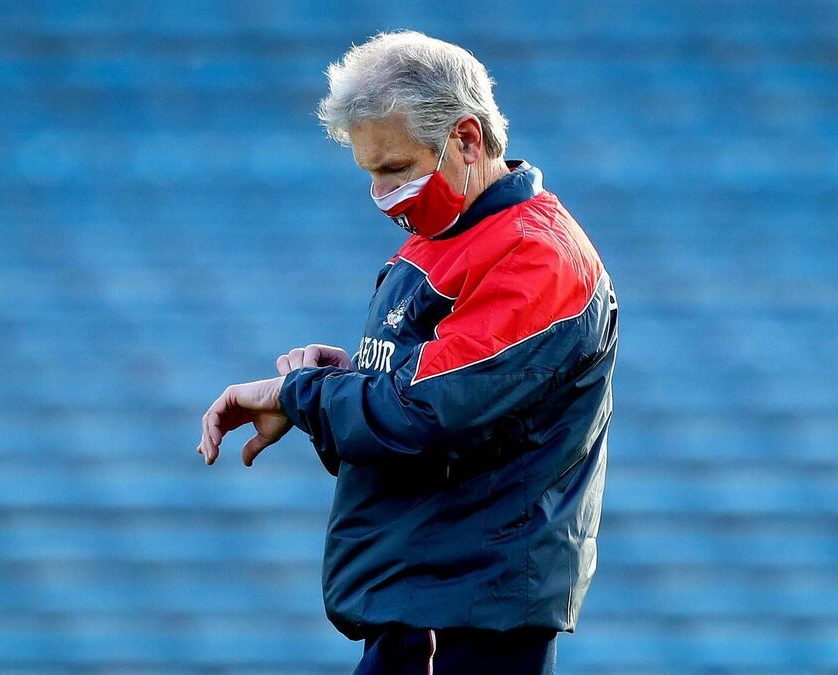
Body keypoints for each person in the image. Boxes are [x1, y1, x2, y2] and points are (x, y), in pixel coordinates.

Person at [197, 30, 619, 675]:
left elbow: (428, 412)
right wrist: (343, 381)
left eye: (394, 169)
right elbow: (425, 408)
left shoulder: (536, 256)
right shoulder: (442, 235)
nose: (382, 195)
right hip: (425, 599)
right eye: (370, 173)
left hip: (467, 615)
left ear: (467, 140)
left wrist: (301, 396)